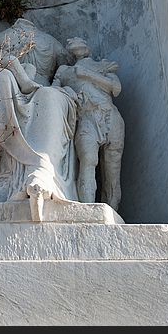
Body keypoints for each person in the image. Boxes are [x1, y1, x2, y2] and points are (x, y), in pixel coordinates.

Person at [0, 32, 77, 220]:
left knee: (50, 97)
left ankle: (42, 169)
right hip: (9, 102)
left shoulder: (15, 63)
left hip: (33, 92)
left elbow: (26, 84)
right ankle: (8, 179)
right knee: (2, 78)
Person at [53, 37, 124, 210]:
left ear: (87, 47)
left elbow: (116, 88)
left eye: (80, 42)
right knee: (88, 160)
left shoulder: (104, 66)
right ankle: (87, 211)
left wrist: (88, 74)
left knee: (112, 173)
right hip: (85, 118)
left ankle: (113, 215)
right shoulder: (64, 71)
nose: (75, 44)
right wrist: (68, 91)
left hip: (110, 117)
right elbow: (53, 92)